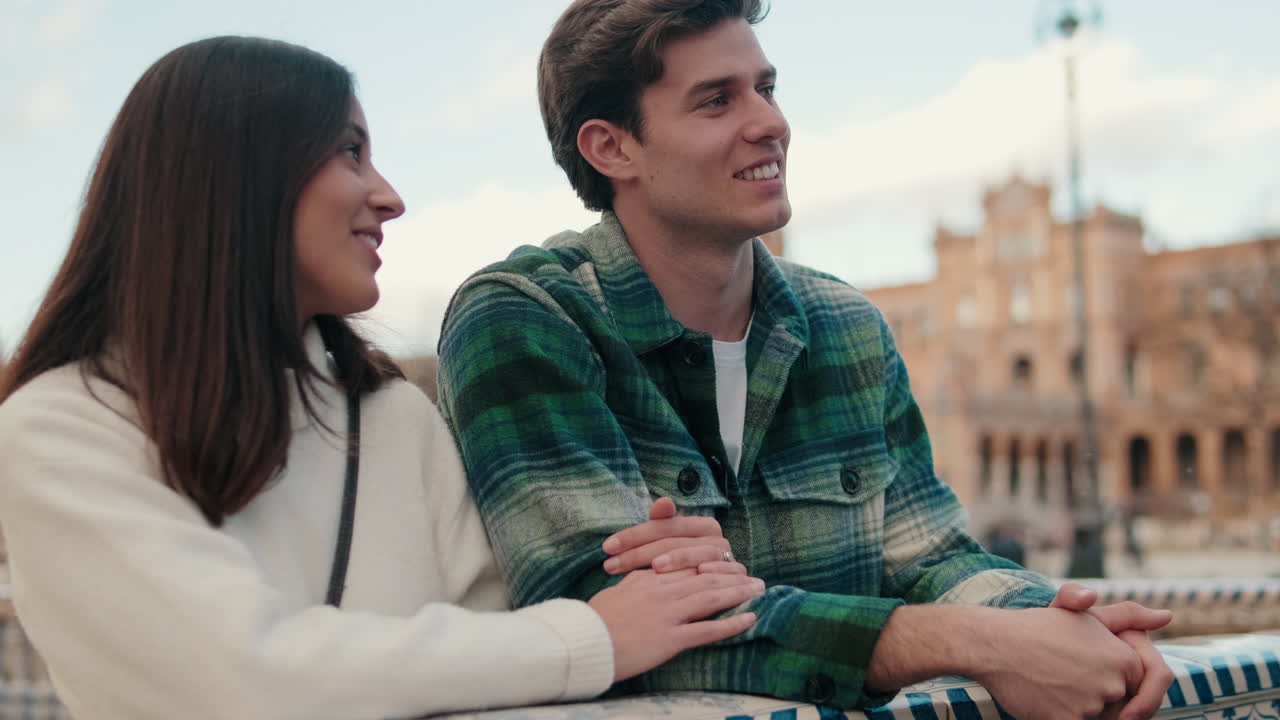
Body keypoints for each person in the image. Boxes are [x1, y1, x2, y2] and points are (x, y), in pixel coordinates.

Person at [436, 2, 1175, 718]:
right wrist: (974, 641)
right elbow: (599, 624)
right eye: (717, 101)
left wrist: (1062, 621)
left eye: (766, 88)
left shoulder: (847, 326)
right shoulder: (527, 321)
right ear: (612, 148)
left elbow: (931, 557)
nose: (771, 123)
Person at [0, 36, 765, 720]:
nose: (390, 197)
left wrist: (653, 561)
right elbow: (240, 680)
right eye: (350, 152)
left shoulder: (397, 417)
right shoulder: (58, 430)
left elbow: (506, 668)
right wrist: (591, 636)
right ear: (233, 175)